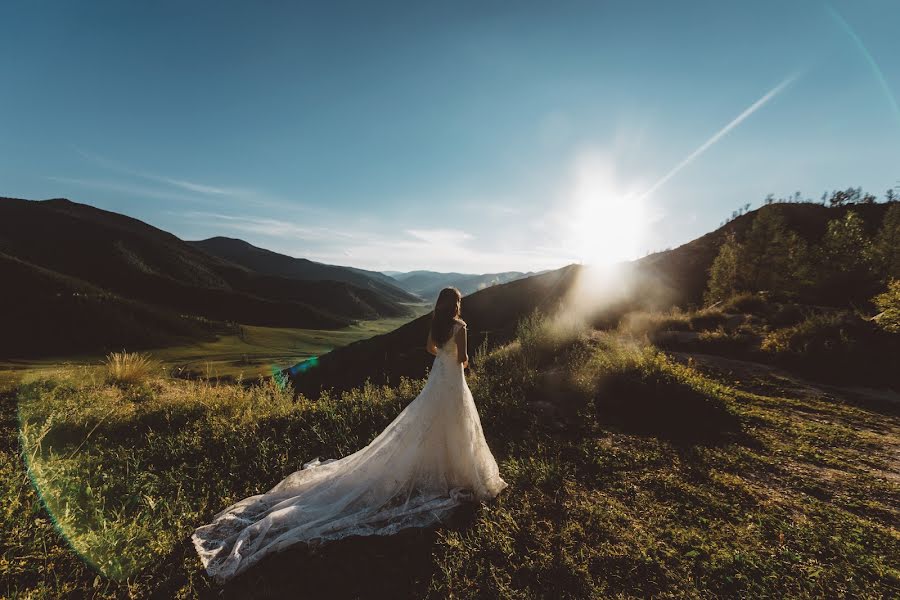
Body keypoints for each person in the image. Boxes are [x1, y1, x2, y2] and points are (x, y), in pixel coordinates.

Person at [192, 287, 507, 582]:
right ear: (457, 304)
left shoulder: (437, 324)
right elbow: (465, 359)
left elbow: (430, 349)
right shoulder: (460, 326)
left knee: (426, 423)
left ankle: (438, 466)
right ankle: (459, 470)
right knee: (456, 423)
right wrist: (459, 359)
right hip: (452, 378)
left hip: (437, 376)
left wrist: (443, 356)